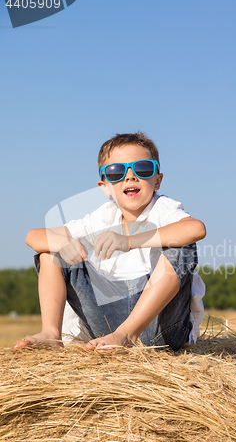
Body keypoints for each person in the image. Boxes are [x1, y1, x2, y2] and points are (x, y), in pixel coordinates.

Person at [15, 132, 206, 351]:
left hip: (161, 326)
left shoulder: (163, 209)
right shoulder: (102, 218)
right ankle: (51, 333)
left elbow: (196, 228)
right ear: (104, 186)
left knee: (181, 246)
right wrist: (62, 243)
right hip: (106, 323)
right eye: (116, 172)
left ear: (157, 180)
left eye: (142, 168)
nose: (130, 176)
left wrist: (129, 240)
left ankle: (127, 334)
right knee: (51, 250)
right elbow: (33, 236)